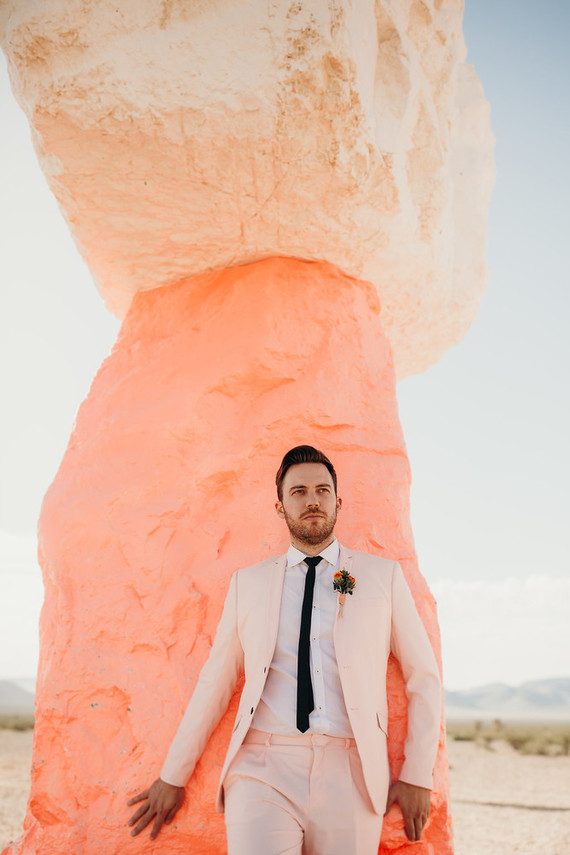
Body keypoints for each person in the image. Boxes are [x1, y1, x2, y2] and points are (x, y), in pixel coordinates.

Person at [127, 445, 441, 853]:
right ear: (280, 507)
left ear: (338, 502)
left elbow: (424, 676)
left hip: (352, 769)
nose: (312, 499)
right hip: (263, 766)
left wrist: (418, 774)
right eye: (298, 491)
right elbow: (215, 681)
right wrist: (173, 776)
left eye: (322, 490)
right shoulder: (248, 584)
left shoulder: (381, 578)